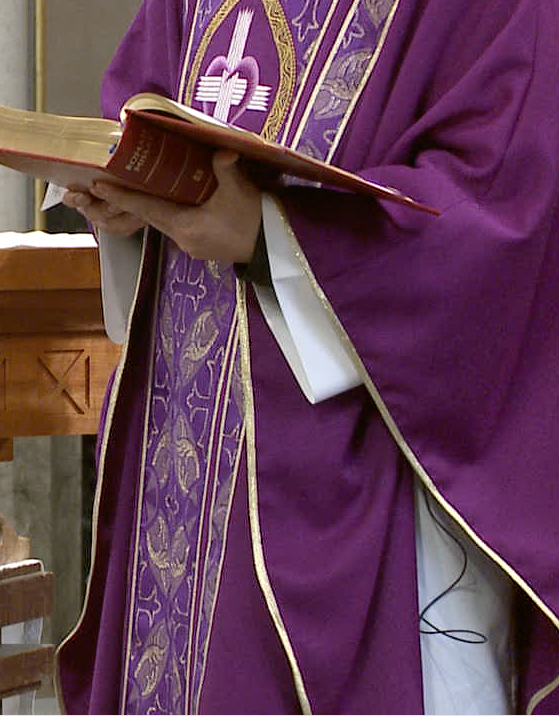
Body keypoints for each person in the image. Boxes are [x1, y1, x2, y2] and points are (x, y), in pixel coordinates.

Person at [54, 0, 559, 712]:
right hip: (182, 440)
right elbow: (141, 108)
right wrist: (126, 199)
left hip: (366, 462)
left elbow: (508, 206)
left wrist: (268, 234)